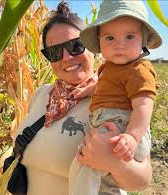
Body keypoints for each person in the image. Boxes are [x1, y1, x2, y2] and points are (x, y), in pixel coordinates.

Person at [15, 1, 152, 195]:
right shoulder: (41, 95)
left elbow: (141, 180)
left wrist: (115, 163)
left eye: (75, 46)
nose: (66, 58)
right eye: (54, 52)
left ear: (93, 46)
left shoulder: (115, 99)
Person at [69, 0, 162, 195]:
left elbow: (144, 107)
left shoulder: (139, 70)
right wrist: (87, 91)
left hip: (122, 128)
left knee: (84, 168)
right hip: (107, 125)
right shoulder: (110, 68)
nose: (119, 45)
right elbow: (104, 86)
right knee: (103, 183)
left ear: (143, 40)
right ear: (100, 41)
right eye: (110, 38)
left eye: (129, 36)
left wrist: (132, 137)